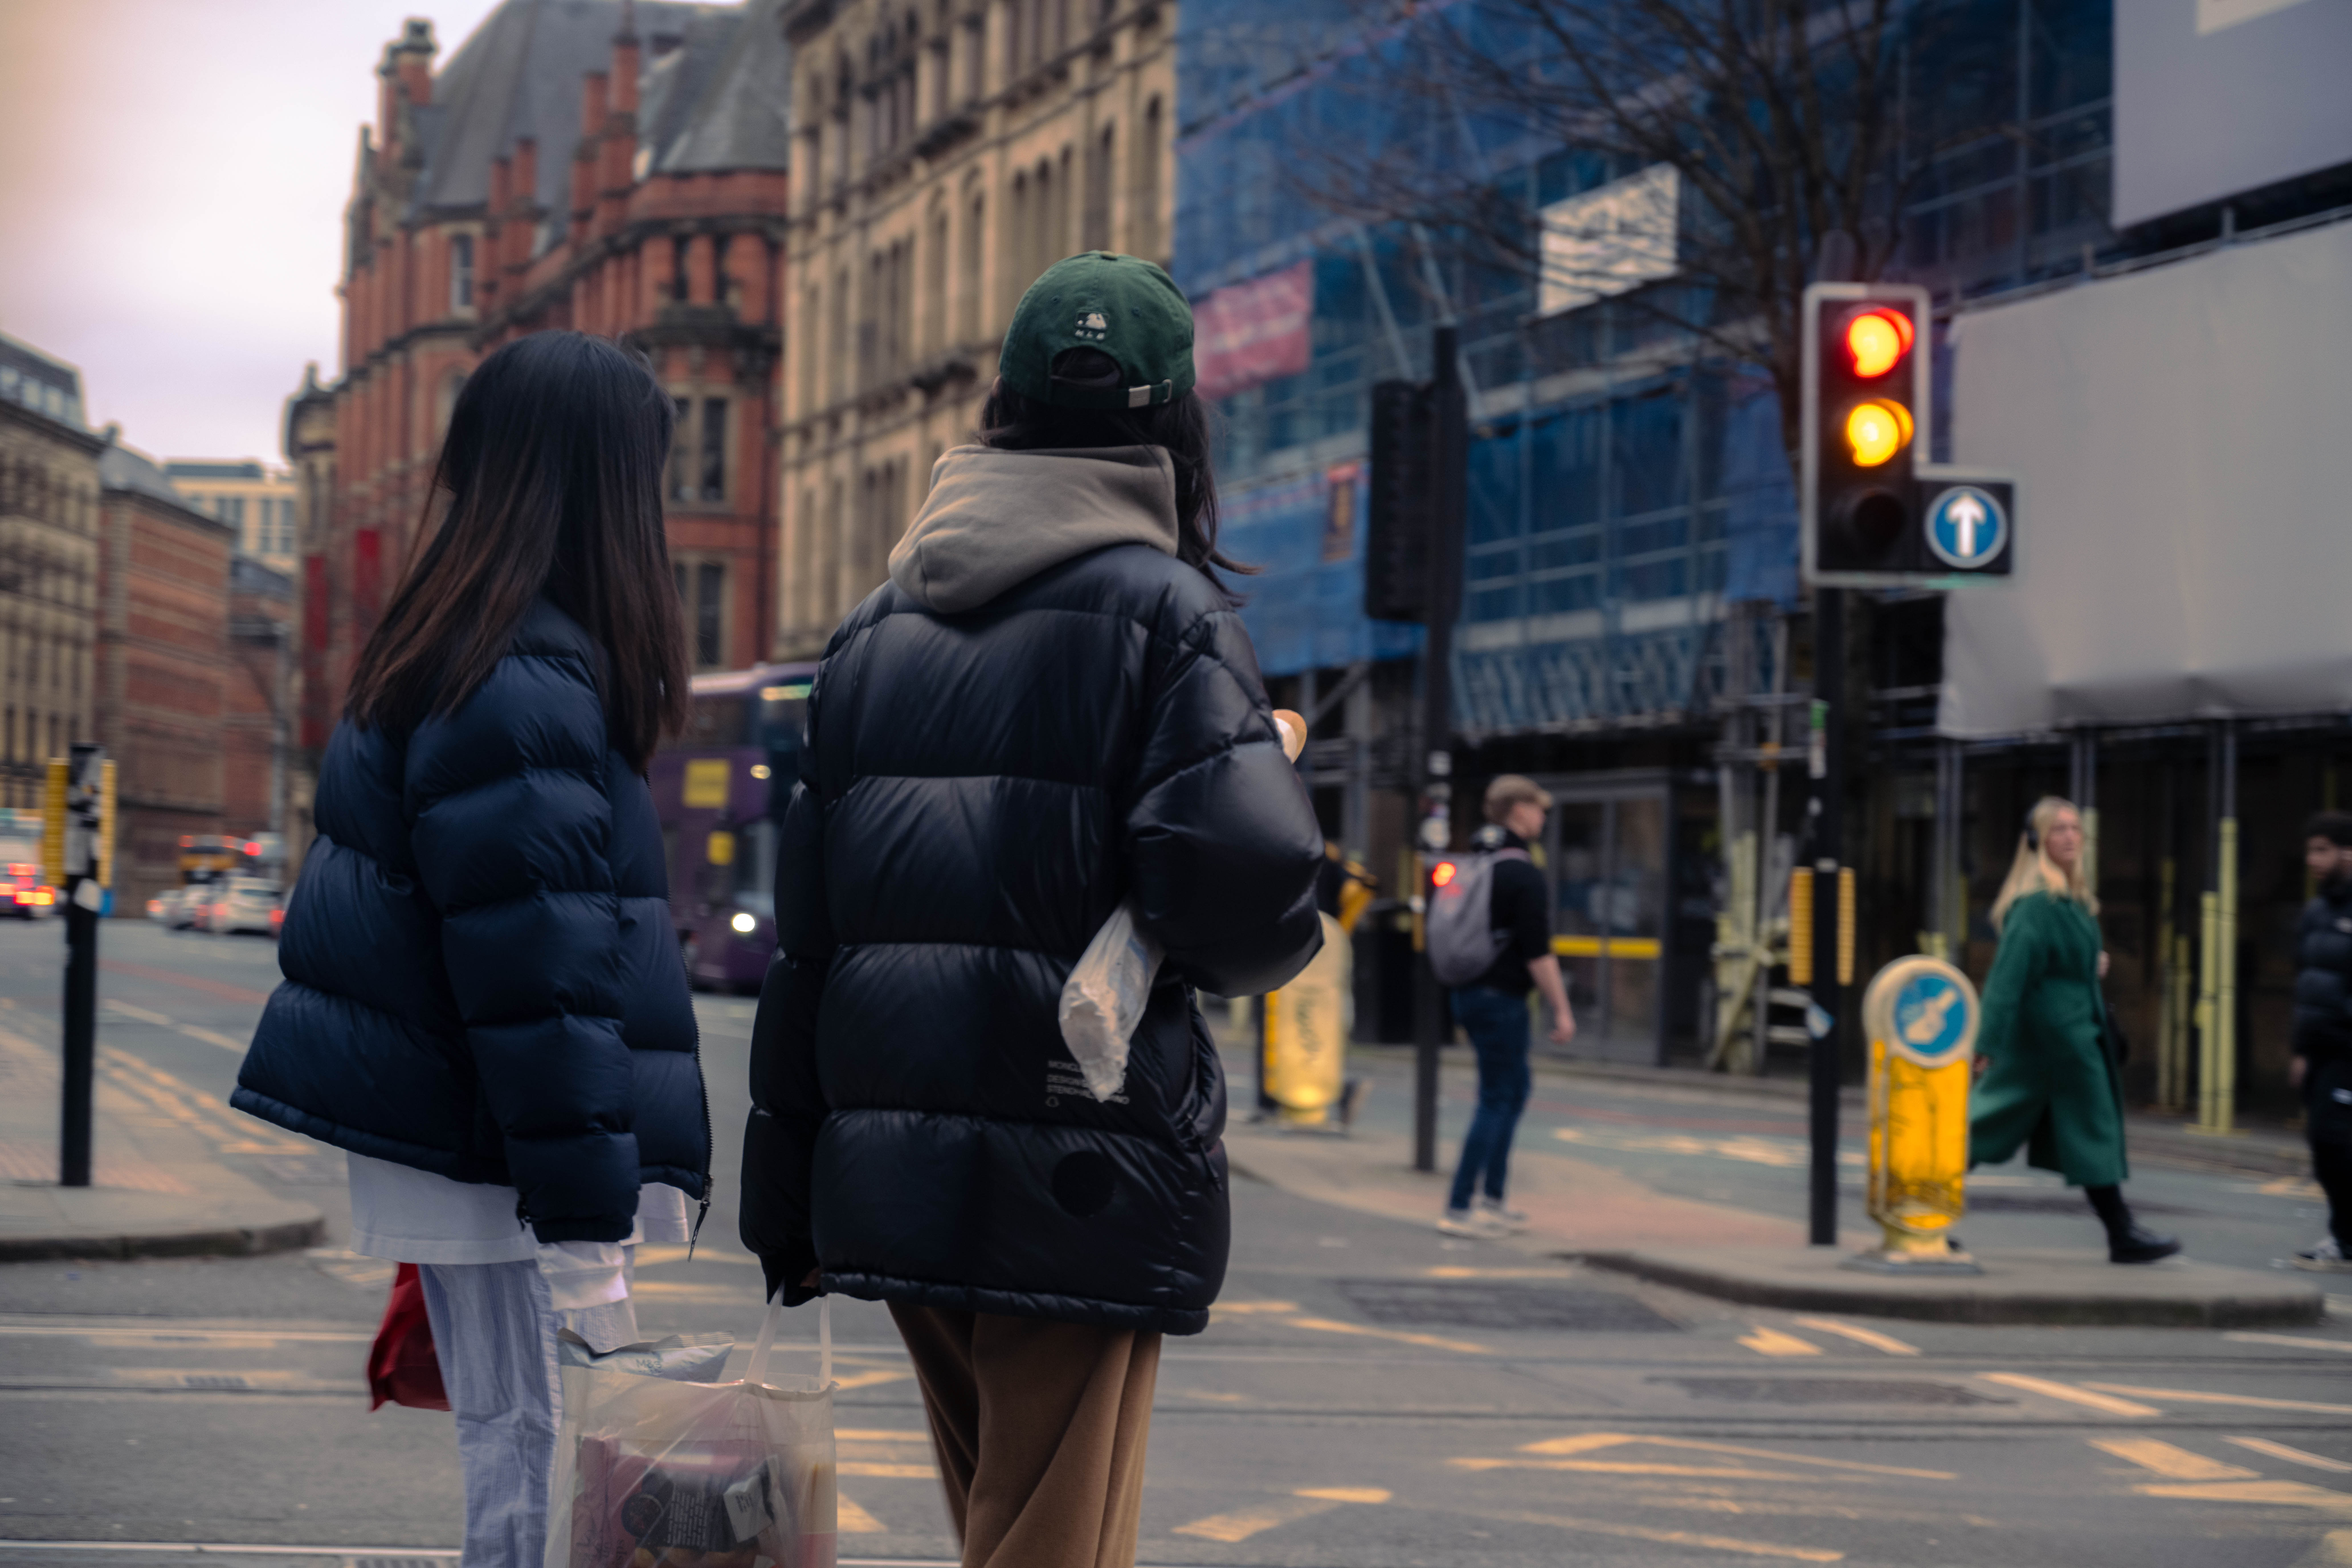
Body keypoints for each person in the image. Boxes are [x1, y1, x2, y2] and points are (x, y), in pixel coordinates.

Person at [740, 252, 1324, 1568]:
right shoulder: (1167, 616)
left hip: (891, 1155)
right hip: (1077, 1141)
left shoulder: (871, 632)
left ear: (1002, 406)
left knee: (1005, 1520)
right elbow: (1246, 899)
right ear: (1174, 425)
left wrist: (789, 1195)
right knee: (1054, 1541)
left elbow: (808, 941)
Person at [232, 332, 710, 1566]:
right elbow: (538, 966)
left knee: (514, 1439)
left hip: (482, 1129)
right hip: (503, 1142)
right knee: (530, 1449)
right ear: (600, 484)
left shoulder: (470, 638)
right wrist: (588, 1234)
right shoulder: (522, 671)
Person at [1969, 795, 2179, 1264]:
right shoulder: (2037, 904)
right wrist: (1985, 1044)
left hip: (2069, 1041)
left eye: (2075, 829)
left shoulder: (2072, 899)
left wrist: (2090, 964)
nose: (2069, 837)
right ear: (2037, 841)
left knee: (2080, 1133)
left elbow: (2058, 967)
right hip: (2050, 1044)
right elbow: (2007, 979)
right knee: (1985, 1132)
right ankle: (1920, 1212)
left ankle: (2122, 1233)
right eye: (2058, 830)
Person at [1440, 775, 1576, 1238]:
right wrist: (1562, 1009)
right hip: (1502, 999)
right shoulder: (1523, 873)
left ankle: (1493, 1199)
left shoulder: (1476, 863)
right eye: (1538, 809)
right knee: (1498, 1097)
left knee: (1513, 1090)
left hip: (1468, 992)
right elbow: (1539, 952)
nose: (1542, 818)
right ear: (1518, 810)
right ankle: (1460, 1207)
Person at [2288, 811, 2352, 1271]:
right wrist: (2300, 1049)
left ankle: (2346, 1240)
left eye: (2323, 850)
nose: (2313, 859)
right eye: (2311, 850)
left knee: (2334, 1138)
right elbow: (2306, 982)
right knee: (2324, 1142)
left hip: (2348, 1047)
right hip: (2320, 1048)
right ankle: (2345, 1238)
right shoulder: (2317, 912)